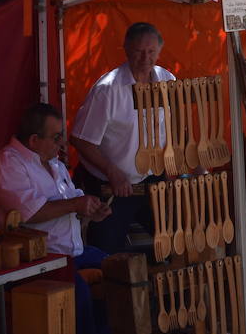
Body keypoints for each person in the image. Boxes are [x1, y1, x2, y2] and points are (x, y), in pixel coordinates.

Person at [0, 103, 114, 334]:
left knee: (120, 270)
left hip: (70, 253)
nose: (62, 143)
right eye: (55, 137)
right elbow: (28, 213)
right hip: (33, 261)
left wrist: (90, 210)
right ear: (33, 140)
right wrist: (76, 205)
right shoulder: (8, 164)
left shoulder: (54, 163)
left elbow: (72, 201)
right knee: (78, 293)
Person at [71, 23, 174, 253]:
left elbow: (171, 130)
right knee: (107, 254)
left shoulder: (168, 82)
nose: (145, 58)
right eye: (138, 51)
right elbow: (80, 140)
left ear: (159, 51)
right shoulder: (108, 90)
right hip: (109, 187)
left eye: (151, 52)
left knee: (171, 241)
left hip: (150, 181)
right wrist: (113, 172)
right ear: (126, 50)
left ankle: (156, 287)